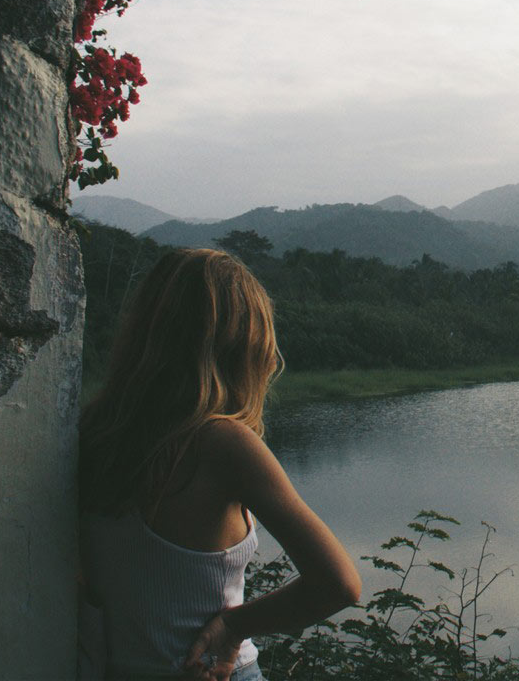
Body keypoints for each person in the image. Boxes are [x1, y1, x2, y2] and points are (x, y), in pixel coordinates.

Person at [78, 248, 361, 681]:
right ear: (242, 348)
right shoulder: (222, 443)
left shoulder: (94, 432)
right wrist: (235, 624)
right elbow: (339, 584)